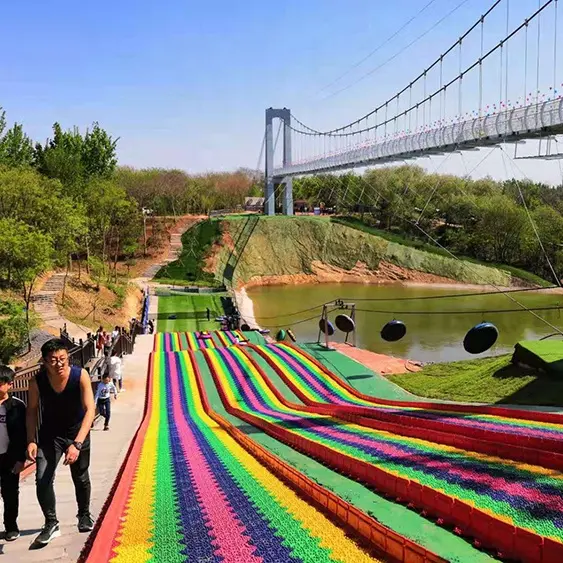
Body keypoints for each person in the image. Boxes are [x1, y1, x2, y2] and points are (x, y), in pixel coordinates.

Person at [26, 339, 96, 545]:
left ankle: (84, 515)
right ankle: (51, 522)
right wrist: (31, 440)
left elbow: (90, 409)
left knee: (81, 476)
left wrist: (77, 443)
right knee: (42, 478)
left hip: (77, 432)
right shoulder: (36, 381)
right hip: (50, 435)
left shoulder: (80, 375)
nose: (59, 363)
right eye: (54, 360)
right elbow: (31, 411)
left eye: (63, 358)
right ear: (45, 362)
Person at [0, 366, 26, 542]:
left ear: (9, 384)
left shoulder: (17, 406)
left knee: (10, 493)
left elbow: (22, 435)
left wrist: (20, 459)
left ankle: (11, 526)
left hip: (8, 457)